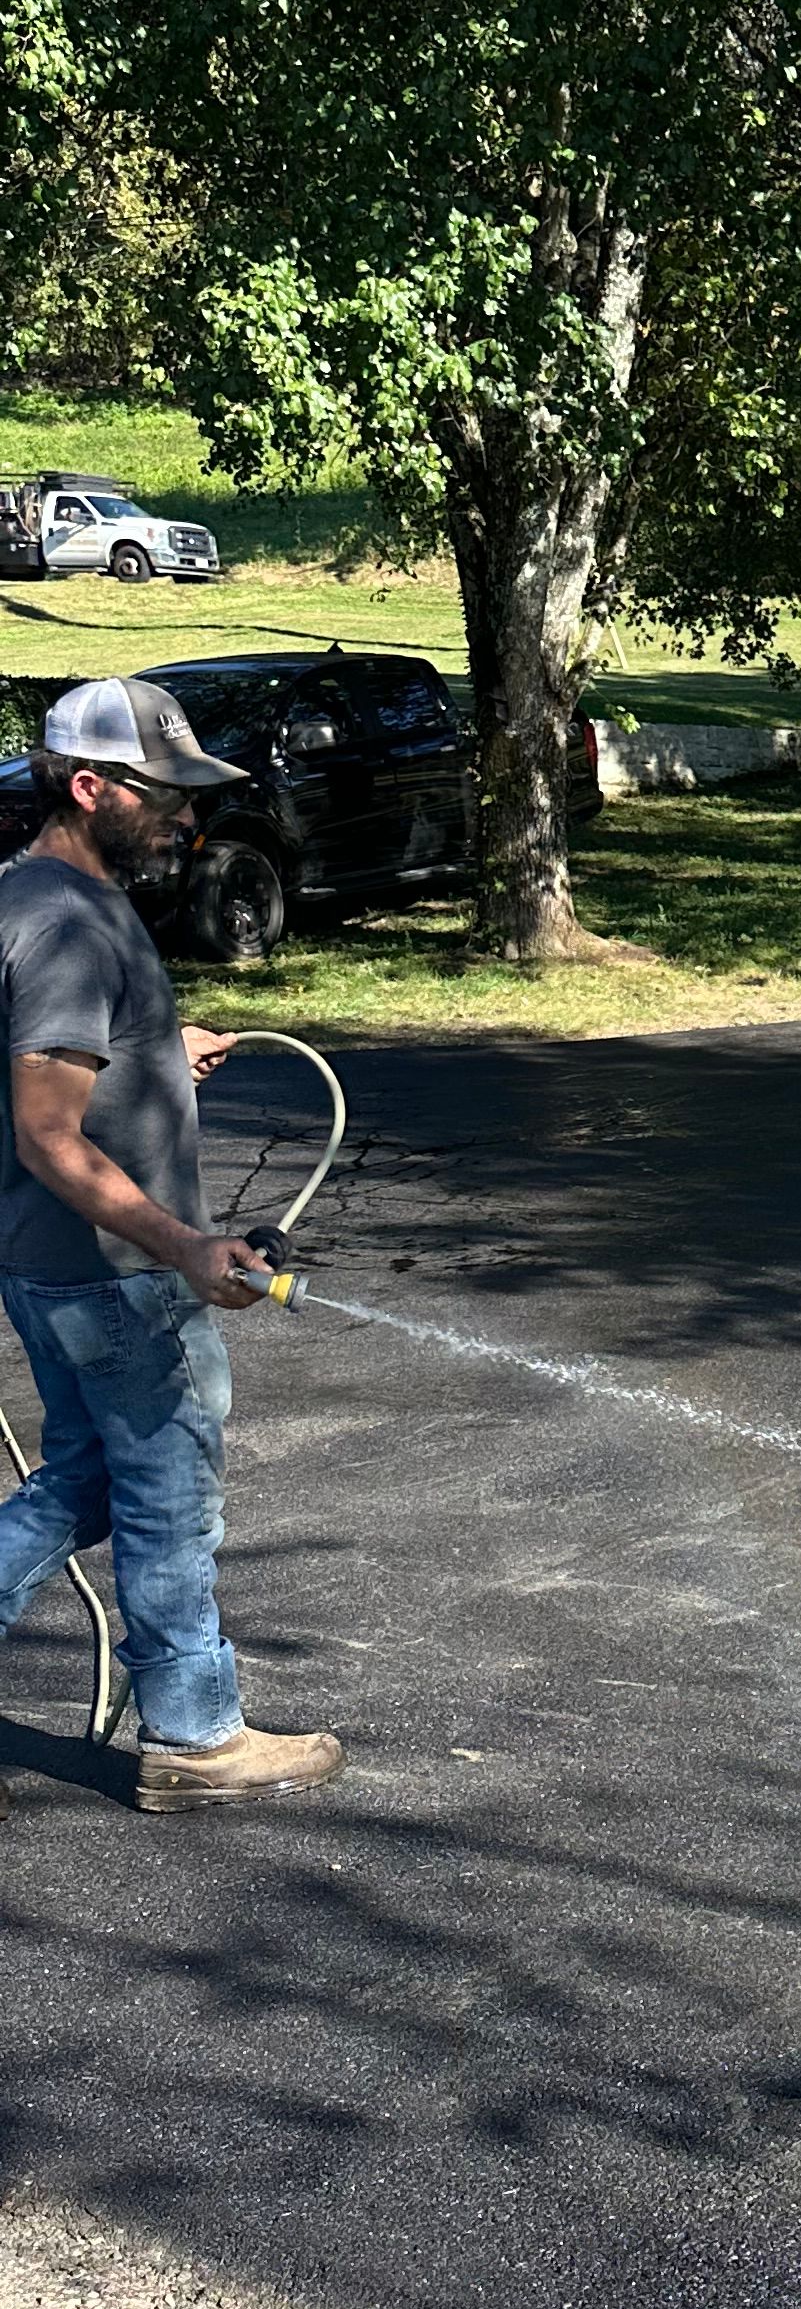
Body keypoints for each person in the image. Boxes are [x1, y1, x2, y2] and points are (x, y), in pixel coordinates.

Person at [0, 676, 345, 1811]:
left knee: (89, 1481)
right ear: (88, 786)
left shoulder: (24, 898)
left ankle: (193, 1724)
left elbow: (52, 1064)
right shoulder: (67, 924)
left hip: (49, 1265)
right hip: (112, 1276)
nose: (185, 819)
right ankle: (195, 1736)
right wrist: (184, 1247)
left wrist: (152, 1049)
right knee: (169, 1494)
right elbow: (50, 1136)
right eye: (163, 795)